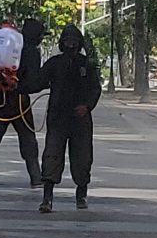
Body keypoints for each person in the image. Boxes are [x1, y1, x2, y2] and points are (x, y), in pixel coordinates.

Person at [23, 25, 101, 213]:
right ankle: (47, 198)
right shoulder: (54, 63)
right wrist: (17, 85)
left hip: (80, 119)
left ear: (79, 44)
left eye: (74, 42)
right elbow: (37, 82)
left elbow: (95, 88)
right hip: (58, 117)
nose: (70, 45)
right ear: (62, 43)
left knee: (83, 158)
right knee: (52, 156)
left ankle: (81, 194)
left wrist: (87, 106)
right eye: (67, 41)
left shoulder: (86, 65)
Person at [0, 18, 45, 190]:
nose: (41, 39)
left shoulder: (14, 46)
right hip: (19, 101)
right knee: (28, 138)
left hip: (0, 99)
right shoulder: (31, 51)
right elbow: (32, 81)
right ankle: (36, 177)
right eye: (41, 35)